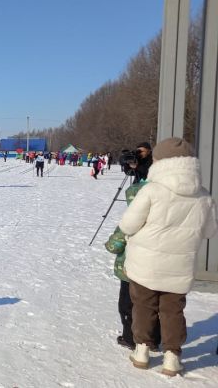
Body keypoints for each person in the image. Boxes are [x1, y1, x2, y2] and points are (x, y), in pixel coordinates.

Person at [119, 137, 218, 376]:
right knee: (173, 310)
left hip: (146, 263)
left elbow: (128, 225)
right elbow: (210, 231)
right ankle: (172, 356)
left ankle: (142, 350)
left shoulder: (151, 189)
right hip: (180, 265)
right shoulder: (204, 196)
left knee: (142, 305)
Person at [105, 180, 161, 351]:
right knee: (154, 305)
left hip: (129, 271)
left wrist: (110, 244)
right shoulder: (162, 221)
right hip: (156, 272)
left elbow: (115, 245)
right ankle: (153, 338)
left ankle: (130, 337)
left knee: (128, 305)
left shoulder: (132, 220)